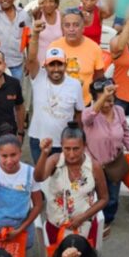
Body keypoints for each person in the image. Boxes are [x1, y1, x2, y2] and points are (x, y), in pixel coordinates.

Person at [34, 123, 109, 244]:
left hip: (85, 227)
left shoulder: (94, 166)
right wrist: (44, 154)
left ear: (84, 146)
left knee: (82, 256)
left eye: (76, 149)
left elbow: (104, 198)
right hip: (56, 227)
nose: (71, 154)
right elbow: (38, 177)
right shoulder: (55, 161)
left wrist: (83, 217)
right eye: (67, 149)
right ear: (61, 145)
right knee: (57, 256)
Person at [82, 78, 129, 235]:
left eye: (110, 100)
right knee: (91, 195)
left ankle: (106, 220)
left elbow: (126, 132)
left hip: (114, 164)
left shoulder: (119, 111)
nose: (107, 104)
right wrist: (103, 98)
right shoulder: (89, 113)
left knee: (112, 196)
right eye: (104, 100)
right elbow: (86, 119)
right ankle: (89, 220)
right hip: (94, 165)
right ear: (95, 100)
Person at [26, 25, 84, 163]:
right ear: (45, 66)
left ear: (66, 65)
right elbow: (31, 59)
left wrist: (78, 139)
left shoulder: (75, 84)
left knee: (62, 176)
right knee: (41, 175)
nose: (56, 69)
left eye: (60, 64)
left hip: (64, 143)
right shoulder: (38, 77)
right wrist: (35, 34)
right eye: (52, 65)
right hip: (38, 140)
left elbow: (78, 113)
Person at [0, 132, 43, 249]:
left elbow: (38, 205)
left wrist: (20, 230)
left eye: (13, 155)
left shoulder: (30, 173)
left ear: (20, 152)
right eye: (4, 156)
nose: (9, 161)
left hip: (21, 228)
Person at [49, 8, 105, 105]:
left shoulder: (94, 48)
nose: (71, 29)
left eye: (76, 25)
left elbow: (99, 78)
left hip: (84, 104)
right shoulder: (54, 47)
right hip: (58, 103)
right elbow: (47, 75)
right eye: (67, 25)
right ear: (62, 29)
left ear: (83, 28)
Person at [31, 0, 64, 65]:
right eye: (44, 1)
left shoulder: (61, 16)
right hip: (40, 61)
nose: (48, 4)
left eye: (51, 1)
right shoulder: (37, 14)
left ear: (56, 3)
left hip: (57, 60)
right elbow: (27, 12)